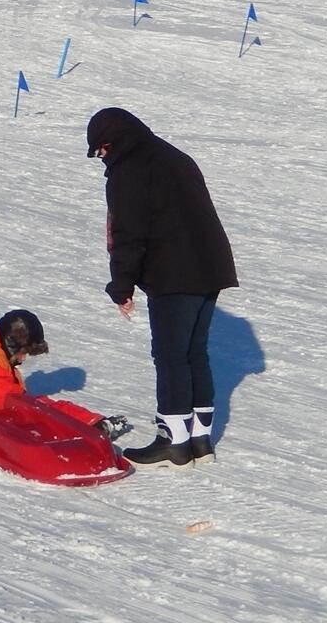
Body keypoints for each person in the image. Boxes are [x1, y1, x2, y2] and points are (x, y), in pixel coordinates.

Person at [88, 106, 239, 468]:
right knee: (194, 353)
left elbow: (128, 233)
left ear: (111, 142)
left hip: (174, 272)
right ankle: (200, 441)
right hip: (211, 266)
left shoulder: (129, 170)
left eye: (100, 151)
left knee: (171, 356)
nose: (102, 159)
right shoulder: (175, 156)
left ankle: (173, 442)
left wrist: (121, 286)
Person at [0, 309, 116, 435]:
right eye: (22, 353)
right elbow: (16, 404)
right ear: (10, 345)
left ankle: (91, 425)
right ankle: (86, 430)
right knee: (42, 411)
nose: (22, 360)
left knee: (42, 408)